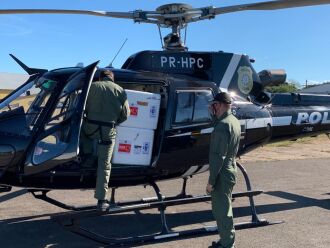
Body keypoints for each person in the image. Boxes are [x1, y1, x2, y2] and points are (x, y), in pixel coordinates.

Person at [80, 70, 130, 211]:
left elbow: (81, 108)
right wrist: (114, 121)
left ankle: (87, 155)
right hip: (108, 130)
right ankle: (101, 200)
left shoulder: (92, 86)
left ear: (101, 78)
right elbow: (126, 114)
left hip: (90, 127)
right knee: (105, 164)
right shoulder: (120, 90)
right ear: (112, 79)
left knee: (83, 134)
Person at [206, 92, 241, 248]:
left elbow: (218, 157)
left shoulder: (222, 125)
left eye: (214, 105)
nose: (212, 107)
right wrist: (213, 116)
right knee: (224, 207)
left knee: (222, 210)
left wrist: (211, 182)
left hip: (222, 172)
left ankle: (227, 244)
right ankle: (226, 239)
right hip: (230, 168)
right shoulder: (233, 121)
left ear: (219, 105)